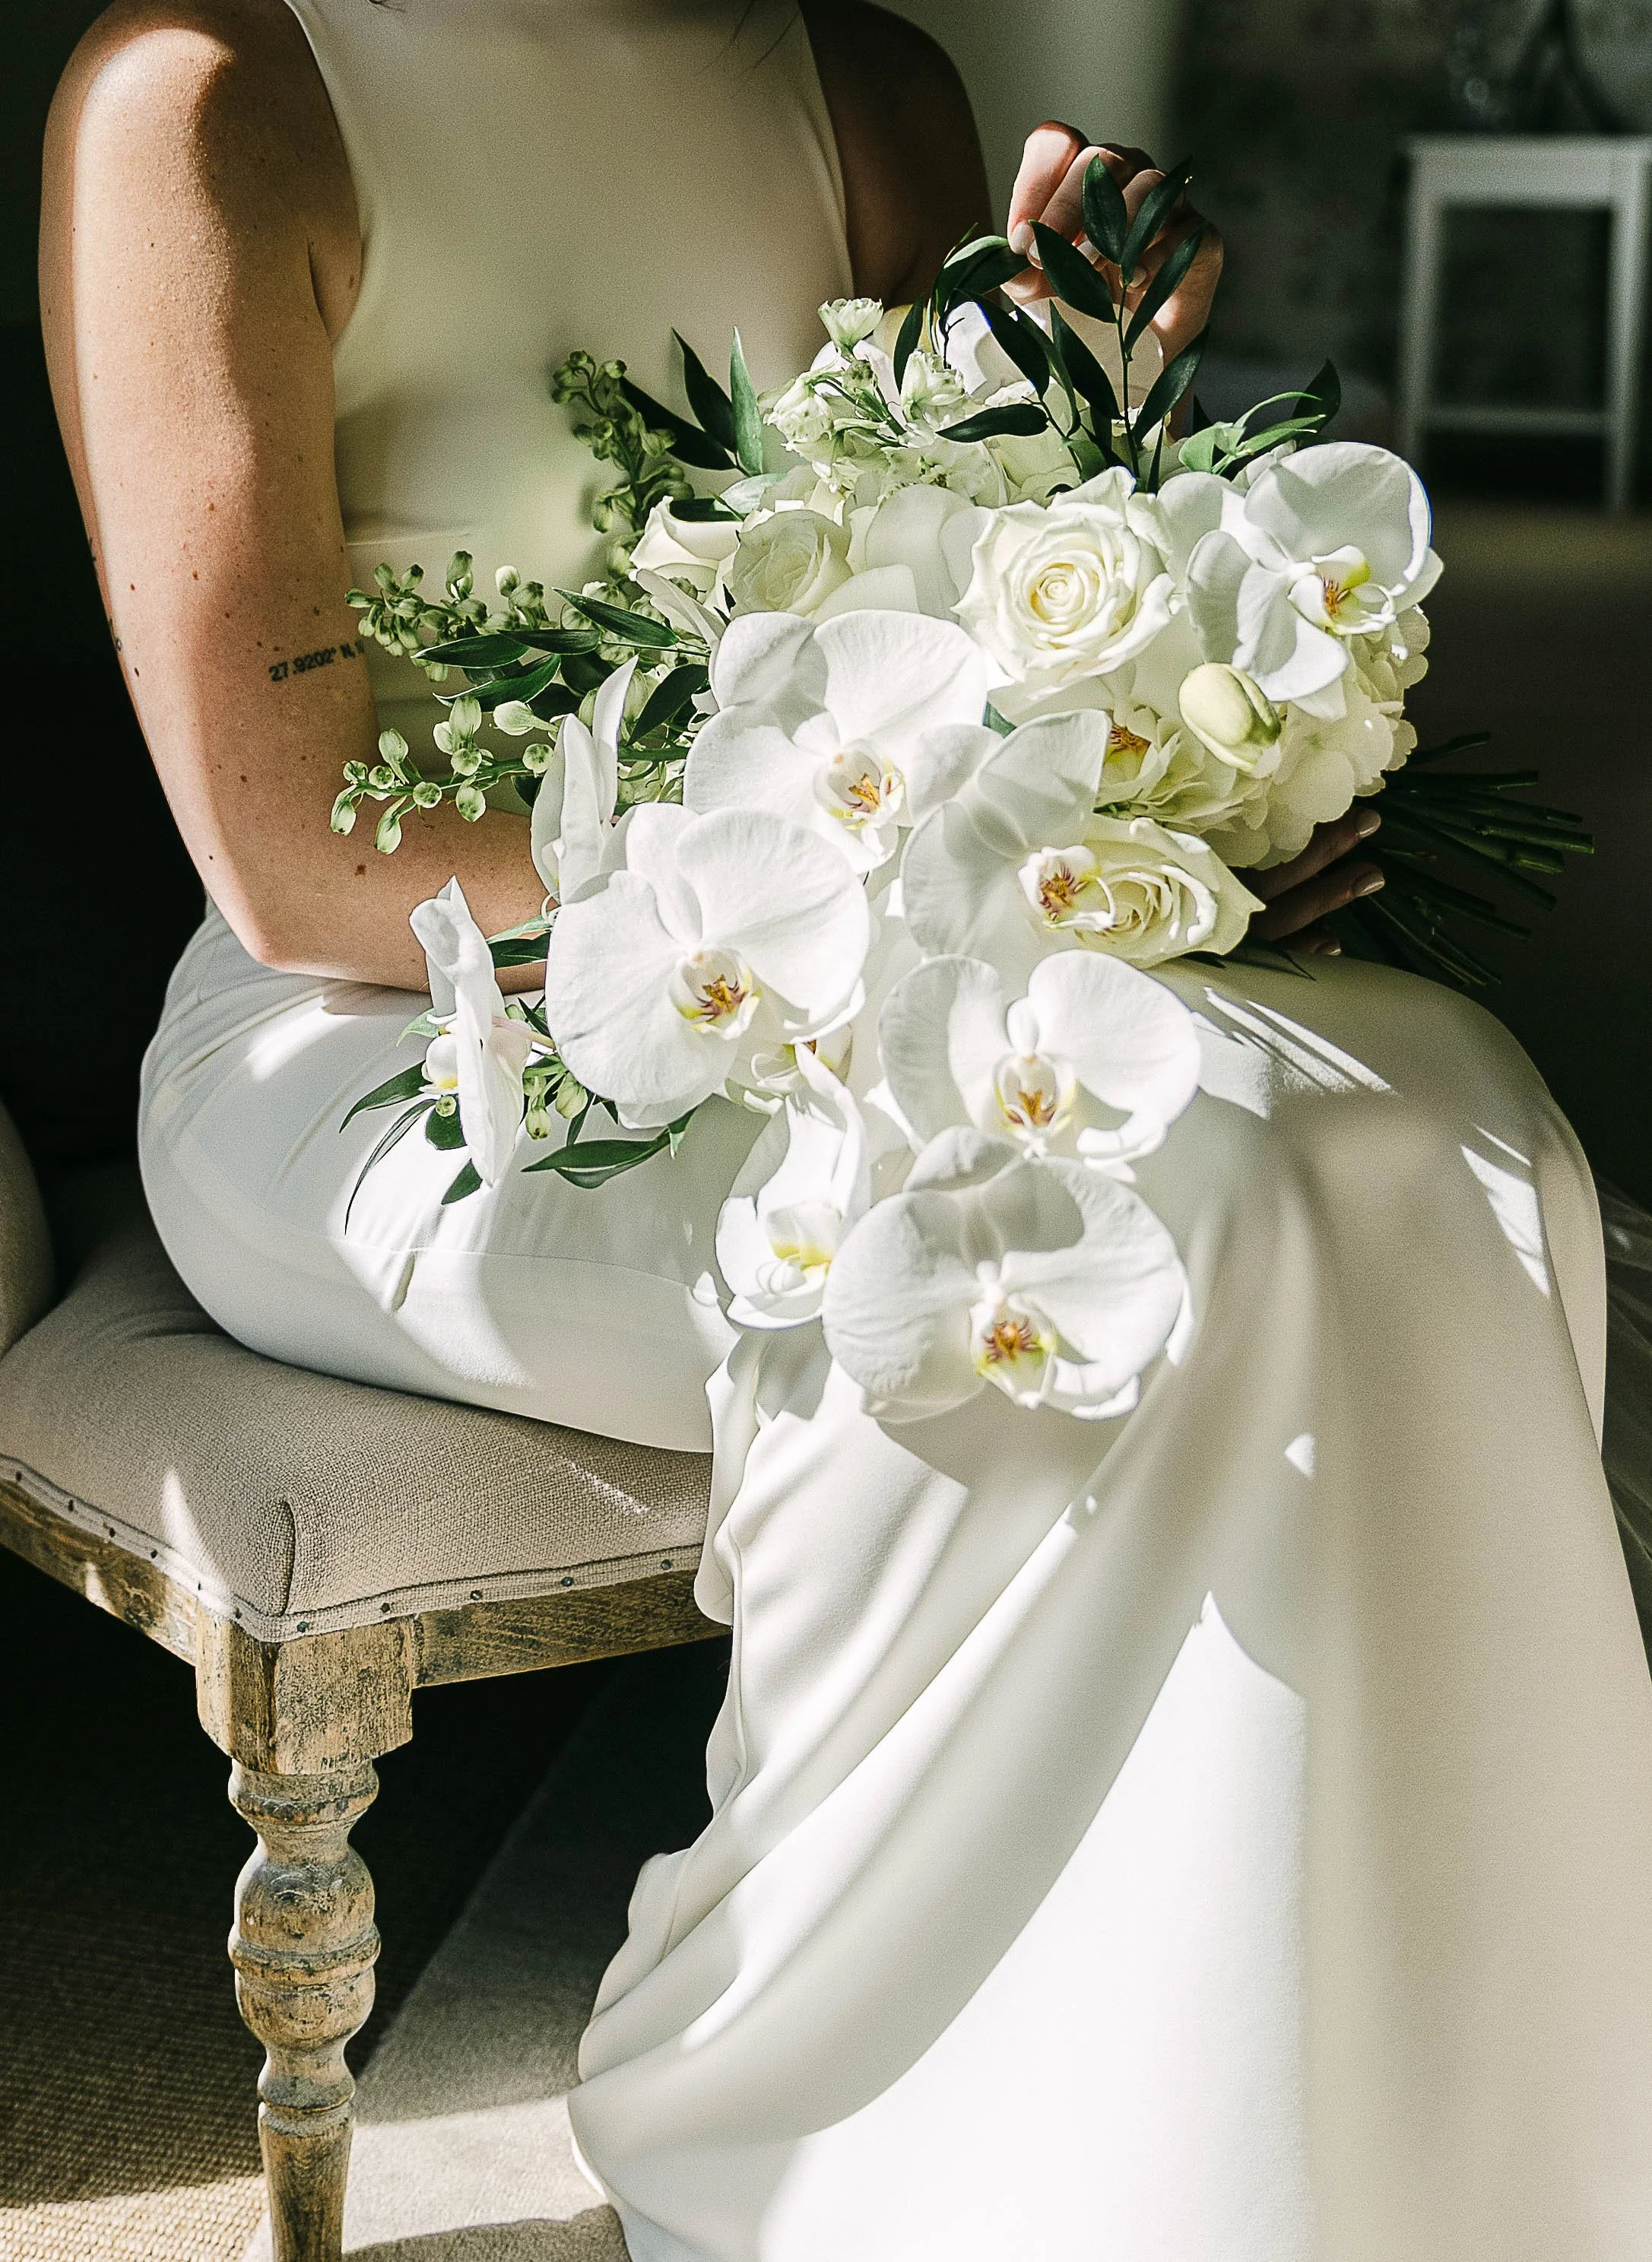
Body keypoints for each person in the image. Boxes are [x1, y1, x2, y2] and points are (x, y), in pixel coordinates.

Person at [41, 5, 1652, 2255]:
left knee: (1440, 1117)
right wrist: (901, 874)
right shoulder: (209, 90)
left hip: (893, 951)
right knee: (1093, 1202)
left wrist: (1091, 440)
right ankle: (819, 2142)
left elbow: (937, 597)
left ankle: (1388, 2158)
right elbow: (296, 848)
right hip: (405, 1034)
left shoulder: (859, 82)